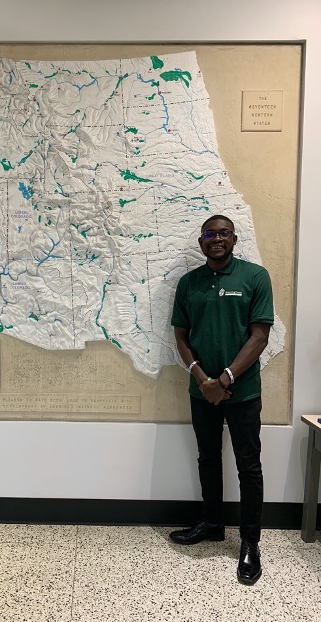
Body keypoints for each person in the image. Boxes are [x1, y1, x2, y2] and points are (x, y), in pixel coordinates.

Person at [169, 214, 274, 586]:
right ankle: (212, 523)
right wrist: (203, 379)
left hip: (243, 392)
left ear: (233, 238)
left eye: (224, 233)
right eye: (210, 234)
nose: (217, 239)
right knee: (208, 458)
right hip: (202, 392)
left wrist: (226, 378)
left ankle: (250, 542)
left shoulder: (254, 277)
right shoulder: (189, 283)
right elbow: (181, 336)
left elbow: (259, 336)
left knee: (249, 467)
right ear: (201, 242)